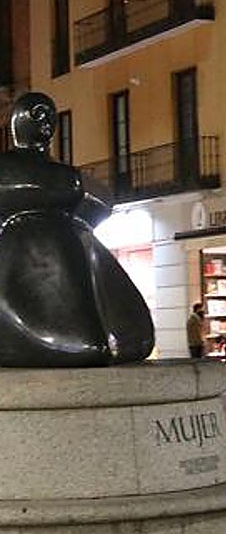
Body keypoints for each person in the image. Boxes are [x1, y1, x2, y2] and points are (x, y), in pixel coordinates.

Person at [0, 92, 153, 367]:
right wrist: (73, 188)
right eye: (36, 114)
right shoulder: (12, 170)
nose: (45, 122)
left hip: (69, 248)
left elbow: (97, 199)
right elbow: (86, 194)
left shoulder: (63, 179)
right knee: (80, 337)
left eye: (49, 116)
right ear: (16, 123)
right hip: (31, 252)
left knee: (119, 336)